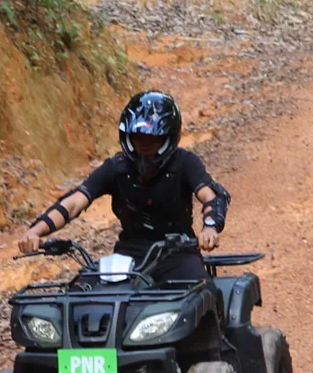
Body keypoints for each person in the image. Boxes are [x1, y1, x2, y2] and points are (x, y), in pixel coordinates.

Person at [17, 90, 229, 283]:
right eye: (138, 138)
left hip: (178, 253)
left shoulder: (184, 163)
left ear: (167, 138)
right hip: (128, 256)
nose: (144, 145)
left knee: (202, 293)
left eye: (153, 139)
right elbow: (74, 202)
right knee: (81, 291)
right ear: (127, 137)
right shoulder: (116, 168)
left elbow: (210, 196)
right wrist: (36, 231)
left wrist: (209, 227)